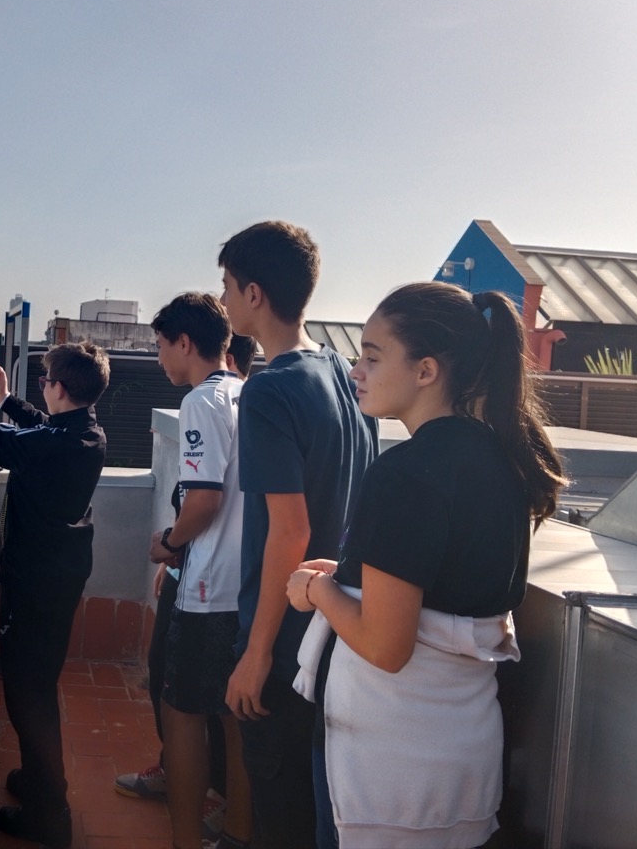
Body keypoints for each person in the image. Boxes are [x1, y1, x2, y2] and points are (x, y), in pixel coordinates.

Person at [287, 282, 566, 848]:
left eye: (372, 357)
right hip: (462, 753)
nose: (356, 371)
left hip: (389, 763)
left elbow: (386, 646)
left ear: (425, 371)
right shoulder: (502, 460)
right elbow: (446, 580)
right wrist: (348, 574)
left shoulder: (407, 472)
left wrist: (317, 591)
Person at [218, 221, 378, 849]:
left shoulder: (270, 390)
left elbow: (290, 532)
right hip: (340, 627)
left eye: (228, 286)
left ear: (254, 294)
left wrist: (257, 654)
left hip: (288, 641)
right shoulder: (341, 371)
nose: (223, 300)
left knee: (280, 816)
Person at [0, 344, 110, 849]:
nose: (42, 388)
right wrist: (6, 399)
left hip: (37, 582)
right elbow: (42, 428)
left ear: (60, 388)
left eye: (44, 381)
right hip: (58, 576)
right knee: (36, 682)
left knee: (27, 695)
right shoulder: (86, 432)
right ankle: (39, 781)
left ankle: (50, 814)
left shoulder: (56, 444)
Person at [143, 292, 251, 849]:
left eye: (162, 346)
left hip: (208, 590)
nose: (160, 357)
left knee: (181, 712)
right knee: (234, 719)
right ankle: (236, 834)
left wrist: (167, 543)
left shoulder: (201, 402)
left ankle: (186, 839)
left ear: (185, 343)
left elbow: (204, 502)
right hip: (248, 587)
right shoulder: (248, 393)